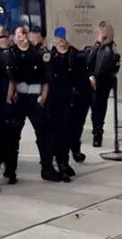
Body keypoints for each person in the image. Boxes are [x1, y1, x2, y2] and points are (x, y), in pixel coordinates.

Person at [6, 26, 62, 182]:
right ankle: (10, 170)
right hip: (19, 98)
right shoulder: (12, 54)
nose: (22, 37)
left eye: (24, 34)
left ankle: (47, 168)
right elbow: (11, 78)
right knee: (13, 134)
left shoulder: (39, 54)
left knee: (44, 134)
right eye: (19, 34)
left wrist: (43, 97)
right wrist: (10, 95)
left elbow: (47, 78)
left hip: (35, 98)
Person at [49, 26, 79, 181]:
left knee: (67, 132)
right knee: (57, 133)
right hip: (54, 100)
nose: (61, 41)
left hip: (68, 99)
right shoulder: (50, 55)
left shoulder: (74, 54)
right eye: (58, 39)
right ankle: (60, 162)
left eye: (63, 38)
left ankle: (64, 161)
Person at [0, 26, 18, 183]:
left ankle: (9, 169)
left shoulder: (9, 55)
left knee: (9, 137)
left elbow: (12, 78)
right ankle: (1, 166)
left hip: (6, 100)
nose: (0, 40)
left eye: (2, 37)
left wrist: (9, 96)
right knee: (0, 136)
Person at [87, 21, 120, 147]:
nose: (98, 34)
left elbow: (103, 65)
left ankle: (98, 133)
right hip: (94, 81)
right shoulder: (98, 47)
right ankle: (96, 131)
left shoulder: (109, 49)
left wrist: (95, 77)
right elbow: (90, 60)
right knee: (94, 109)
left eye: (100, 32)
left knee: (99, 109)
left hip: (103, 82)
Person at [69, 44, 92, 163]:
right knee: (75, 126)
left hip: (80, 97)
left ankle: (74, 148)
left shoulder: (83, 70)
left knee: (76, 126)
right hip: (75, 97)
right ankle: (73, 149)